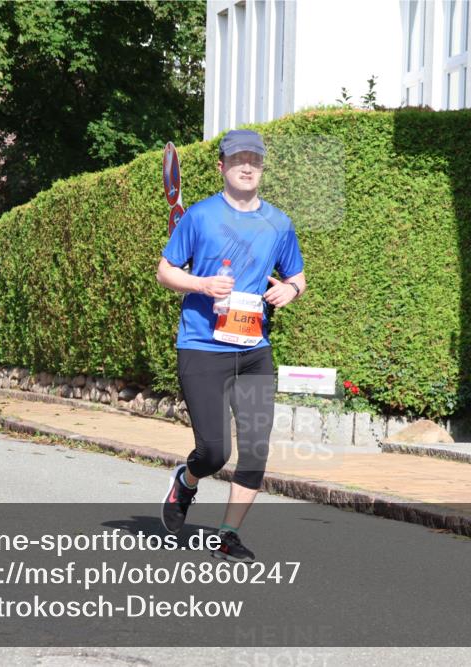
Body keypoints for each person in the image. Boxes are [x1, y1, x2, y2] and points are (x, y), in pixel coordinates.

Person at [156, 129, 306, 562]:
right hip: (202, 346)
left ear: (262, 168)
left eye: (254, 160)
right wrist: (201, 283)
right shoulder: (200, 217)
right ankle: (187, 479)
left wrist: (291, 291)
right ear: (221, 166)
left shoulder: (279, 223)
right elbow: (165, 272)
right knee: (214, 452)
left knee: (257, 447)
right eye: (238, 159)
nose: (246, 167)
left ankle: (226, 534)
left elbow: (297, 276)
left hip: (254, 349)